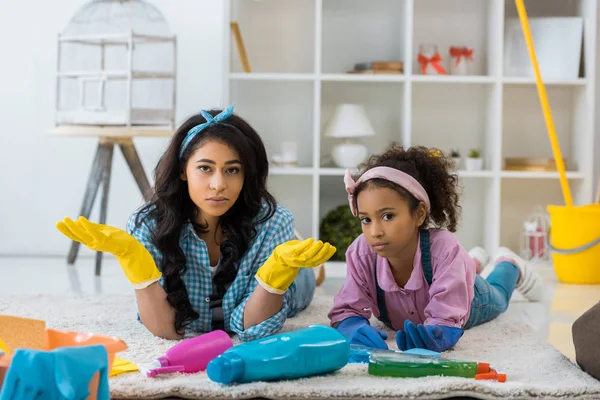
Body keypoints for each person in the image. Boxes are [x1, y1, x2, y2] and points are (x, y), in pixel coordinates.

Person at [56, 105, 335, 341]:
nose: (218, 185)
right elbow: (168, 330)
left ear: (246, 174)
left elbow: (251, 329)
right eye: (205, 168)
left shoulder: (273, 221)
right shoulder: (148, 224)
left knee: (304, 276)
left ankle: (308, 266)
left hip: (291, 282)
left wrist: (279, 270)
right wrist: (131, 256)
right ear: (182, 170)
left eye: (232, 170)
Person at [328, 143, 544, 352]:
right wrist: (351, 326)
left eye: (387, 216)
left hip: (470, 298)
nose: (375, 231)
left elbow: (445, 322)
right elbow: (348, 308)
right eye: (366, 219)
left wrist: (438, 333)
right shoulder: (361, 253)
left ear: (419, 213)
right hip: (450, 273)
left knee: (498, 297)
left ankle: (509, 265)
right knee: (454, 269)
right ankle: (471, 262)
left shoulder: (444, 249)